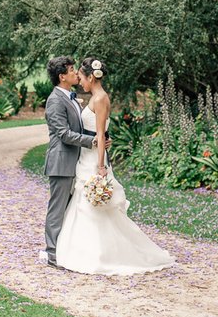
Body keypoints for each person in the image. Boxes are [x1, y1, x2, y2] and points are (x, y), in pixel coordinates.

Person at [55, 57, 176, 275]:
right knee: (84, 205)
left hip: (94, 159)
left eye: (82, 78)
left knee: (93, 206)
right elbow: (97, 134)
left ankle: (102, 254)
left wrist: (100, 167)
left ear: (91, 77)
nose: (80, 82)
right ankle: (82, 250)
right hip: (87, 154)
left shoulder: (100, 99)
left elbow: (101, 135)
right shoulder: (95, 97)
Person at [42, 55, 103, 268]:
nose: (75, 72)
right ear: (62, 76)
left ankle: (65, 250)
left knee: (70, 210)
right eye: (71, 70)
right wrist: (93, 141)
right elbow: (64, 134)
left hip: (74, 162)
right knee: (57, 209)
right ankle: (52, 253)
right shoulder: (55, 100)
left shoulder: (71, 96)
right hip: (61, 163)